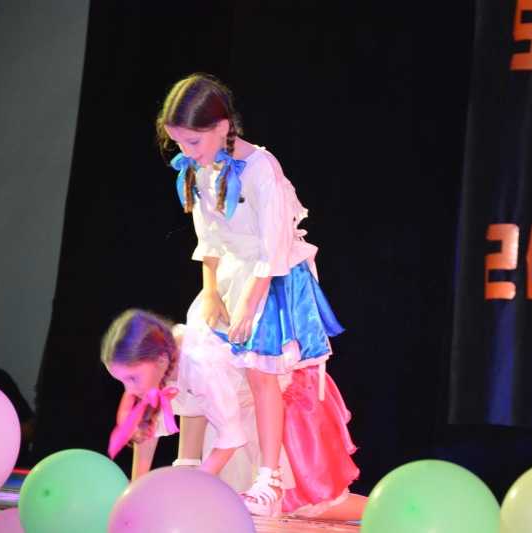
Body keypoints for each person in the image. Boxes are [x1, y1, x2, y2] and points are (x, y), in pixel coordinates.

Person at [154, 73, 350, 516]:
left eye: (193, 141)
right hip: (228, 274)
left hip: (271, 276)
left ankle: (269, 480)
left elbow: (274, 243)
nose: (187, 152)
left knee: (262, 369)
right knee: (196, 353)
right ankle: (189, 465)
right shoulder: (198, 168)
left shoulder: (261, 167)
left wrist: (248, 302)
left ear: (222, 126)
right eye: (179, 142)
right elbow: (208, 236)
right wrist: (211, 292)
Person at [102, 309, 365, 520]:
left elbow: (231, 438)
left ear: (160, 360)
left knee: (305, 505)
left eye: (132, 378)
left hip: (277, 408)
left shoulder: (201, 364)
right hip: (238, 415)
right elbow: (148, 431)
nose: (129, 390)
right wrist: (135, 493)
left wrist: (191, 487)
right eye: (122, 381)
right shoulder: (160, 361)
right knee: (246, 508)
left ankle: (378, 512)